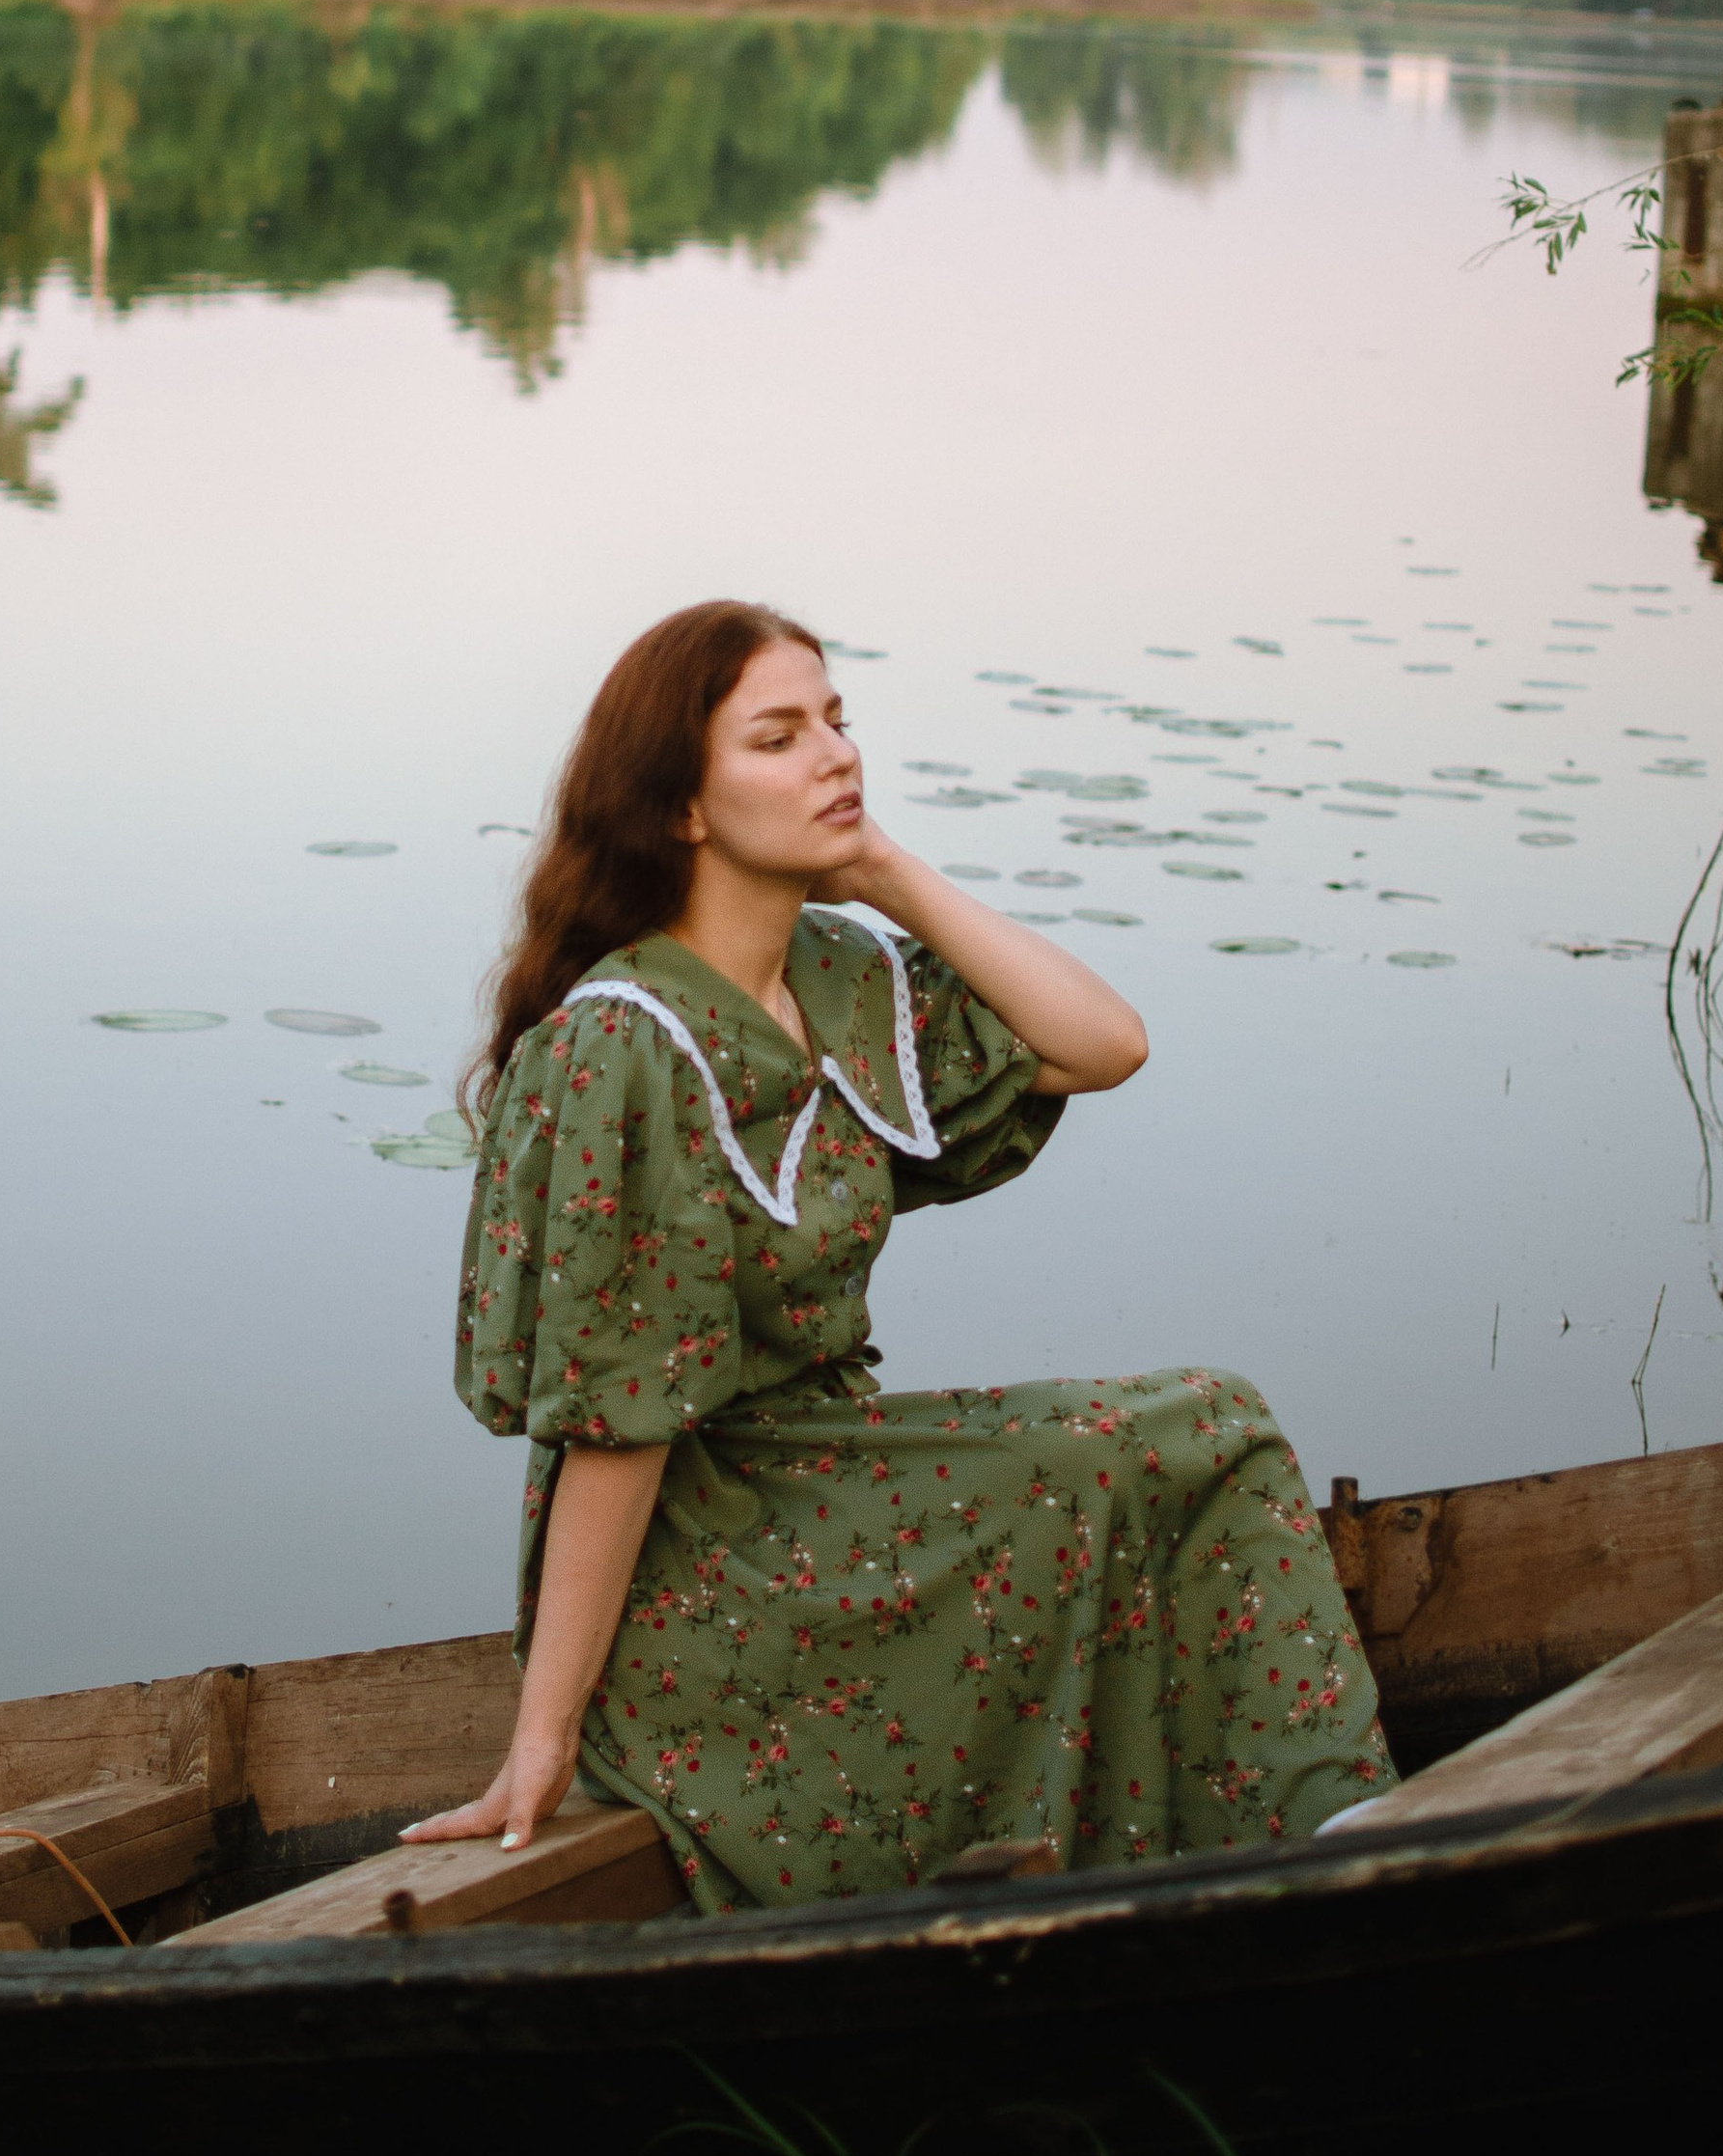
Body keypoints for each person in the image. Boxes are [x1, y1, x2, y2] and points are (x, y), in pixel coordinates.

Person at [403, 599, 1391, 1910]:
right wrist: (546, 1738)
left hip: (833, 1484)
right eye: (778, 735)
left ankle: (1341, 1834)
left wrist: (894, 877)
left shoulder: (839, 977)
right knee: (1167, 1435)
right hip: (709, 1571)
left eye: (836, 720)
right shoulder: (626, 1043)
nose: (833, 755)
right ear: (685, 806)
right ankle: (1319, 1852)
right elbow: (616, 1426)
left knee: (1211, 1433)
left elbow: (1104, 1044)